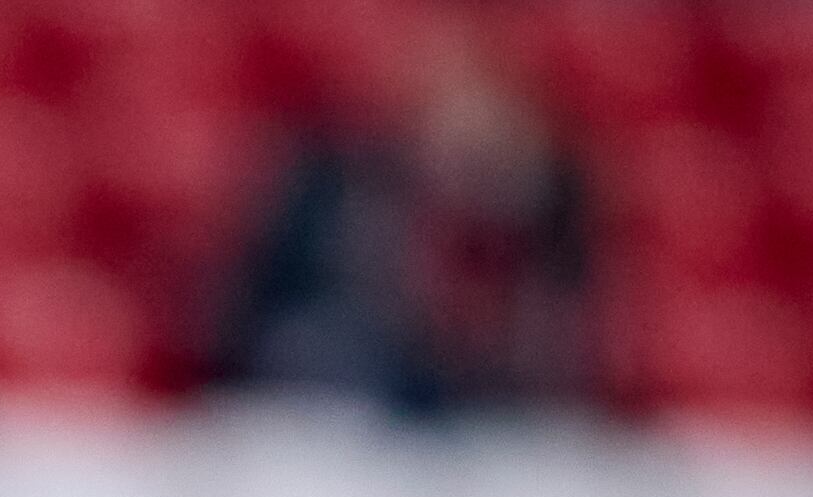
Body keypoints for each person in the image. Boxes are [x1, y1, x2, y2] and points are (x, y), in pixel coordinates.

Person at [207, 6, 597, 418]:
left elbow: (562, 342)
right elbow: (268, 324)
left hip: (489, 430)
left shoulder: (546, 193)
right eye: (444, 79)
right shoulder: (329, 179)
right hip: (342, 421)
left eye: (474, 87)